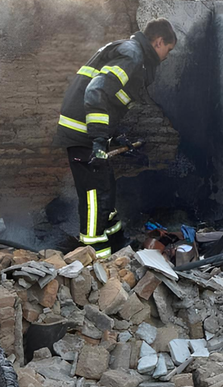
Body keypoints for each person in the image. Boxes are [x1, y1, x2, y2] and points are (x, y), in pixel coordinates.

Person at [55, 19, 177, 259]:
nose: (167, 56)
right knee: (94, 196)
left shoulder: (133, 55)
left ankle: (117, 242)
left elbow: (109, 101)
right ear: (158, 41)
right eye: (168, 50)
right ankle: (93, 256)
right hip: (84, 133)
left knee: (106, 188)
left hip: (88, 133)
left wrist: (113, 136)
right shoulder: (132, 55)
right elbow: (96, 91)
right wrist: (100, 140)